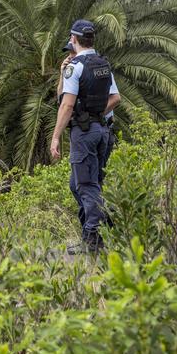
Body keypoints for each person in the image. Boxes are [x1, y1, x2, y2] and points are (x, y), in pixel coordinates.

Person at [50, 20, 121, 254]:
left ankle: (93, 239)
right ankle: (104, 227)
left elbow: (66, 104)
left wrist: (56, 137)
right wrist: (96, 113)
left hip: (85, 133)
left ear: (73, 39)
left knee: (87, 185)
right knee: (79, 185)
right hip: (103, 132)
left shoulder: (76, 67)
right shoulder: (103, 64)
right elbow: (115, 99)